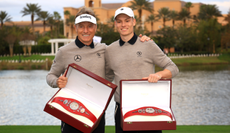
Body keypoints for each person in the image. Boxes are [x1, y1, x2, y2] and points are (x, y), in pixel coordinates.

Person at [46, 7, 151, 133]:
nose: (86, 30)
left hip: (96, 112)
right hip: (70, 110)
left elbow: (116, 65)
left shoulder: (104, 49)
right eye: (81, 26)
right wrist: (57, 81)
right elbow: (50, 75)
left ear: (95, 28)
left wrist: (142, 41)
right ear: (75, 28)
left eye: (90, 26)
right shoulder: (64, 51)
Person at [105, 7, 179, 133]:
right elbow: (106, 79)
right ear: (115, 24)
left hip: (149, 107)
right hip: (122, 110)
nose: (123, 24)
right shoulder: (110, 50)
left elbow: (173, 68)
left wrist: (159, 75)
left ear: (133, 22)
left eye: (127, 20)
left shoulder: (148, 44)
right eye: (119, 21)